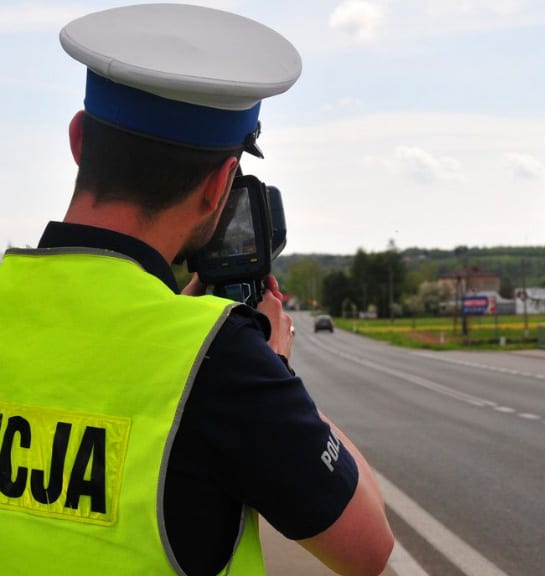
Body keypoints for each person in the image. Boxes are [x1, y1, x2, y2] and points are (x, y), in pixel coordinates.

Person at [0, 4, 393, 575]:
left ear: (79, 140)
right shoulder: (222, 361)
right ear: (218, 188)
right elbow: (369, 549)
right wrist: (272, 369)